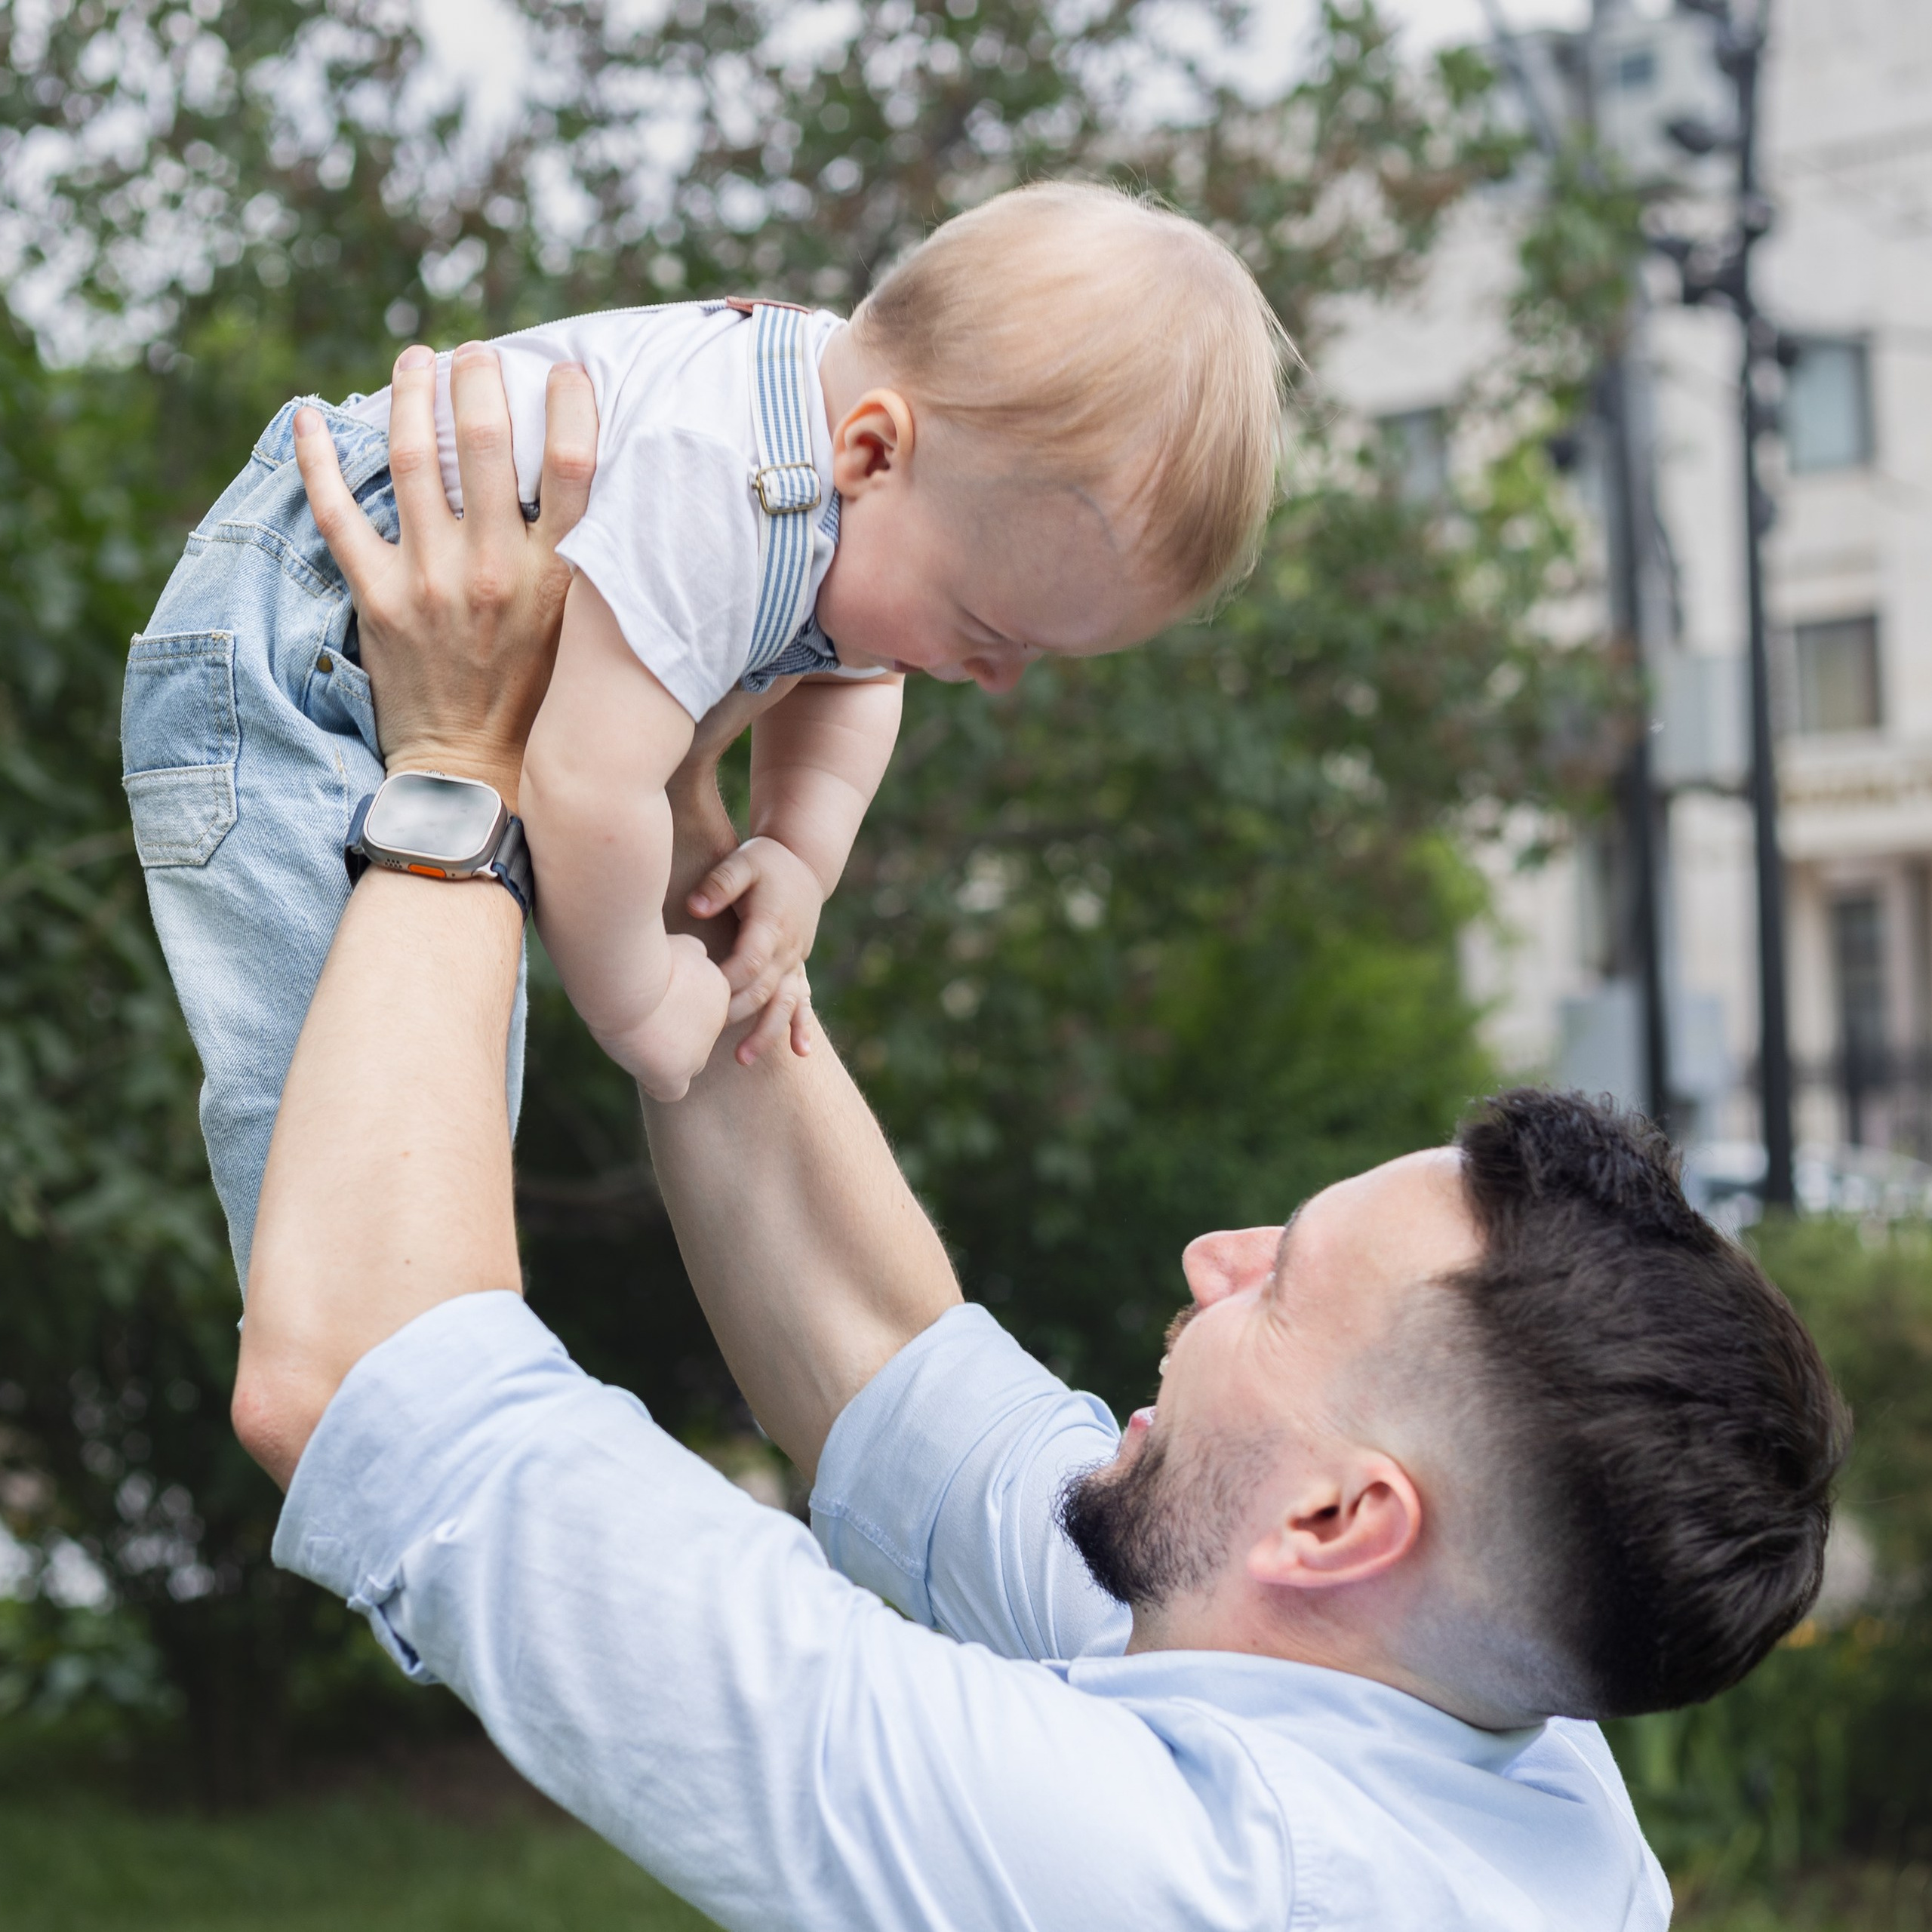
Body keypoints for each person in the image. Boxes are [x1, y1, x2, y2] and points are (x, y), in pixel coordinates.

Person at [230, 346, 1847, 1932]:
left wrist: (458, 766)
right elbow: (886, 1367)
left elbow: (369, 1385)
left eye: (1279, 1286)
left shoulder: (1173, 1874)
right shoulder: (1454, 1713)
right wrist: (649, 774)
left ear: (1339, 1522)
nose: (1211, 1260)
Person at [121, 181, 1284, 1283]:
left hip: (400, 655)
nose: (996, 679)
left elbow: (857, 671)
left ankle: (369, 1320)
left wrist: (796, 852)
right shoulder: (729, 486)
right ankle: (337, 1326)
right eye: (988, 629)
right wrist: (636, 998)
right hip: (298, 626)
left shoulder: (869, 492)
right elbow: (586, 783)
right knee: (347, 1077)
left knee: (431, 1069)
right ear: (872, 452)